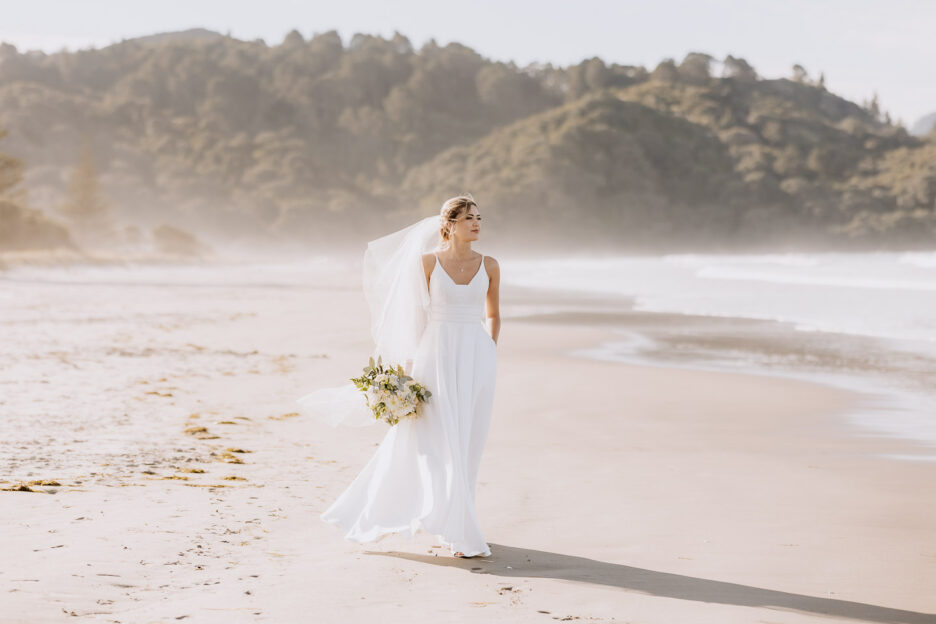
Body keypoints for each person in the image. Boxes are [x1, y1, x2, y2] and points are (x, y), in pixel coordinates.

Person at [297, 194, 500, 558]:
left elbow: (493, 314)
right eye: (469, 217)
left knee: (468, 441)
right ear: (449, 224)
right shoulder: (426, 264)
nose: (477, 223)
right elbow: (412, 319)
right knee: (436, 440)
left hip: (477, 359)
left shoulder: (491, 265)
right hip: (434, 356)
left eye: (479, 217)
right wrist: (407, 373)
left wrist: (490, 348)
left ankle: (458, 520)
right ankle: (444, 521)